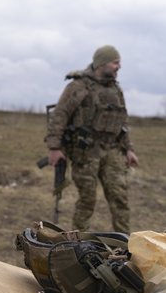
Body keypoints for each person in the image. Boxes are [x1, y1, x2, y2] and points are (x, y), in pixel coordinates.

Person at [44, 45, 138, 234]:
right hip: (86, 152)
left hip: (112, 150)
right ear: (101, 63)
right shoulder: (78, 86)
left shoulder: (116, 90)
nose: (119, 67)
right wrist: (54, 147)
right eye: (115, 62)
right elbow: (60, 116)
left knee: (120, 198)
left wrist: (129, 149)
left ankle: (127, 243)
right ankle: (78, 242)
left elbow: (122, 121)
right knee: (87, 199)